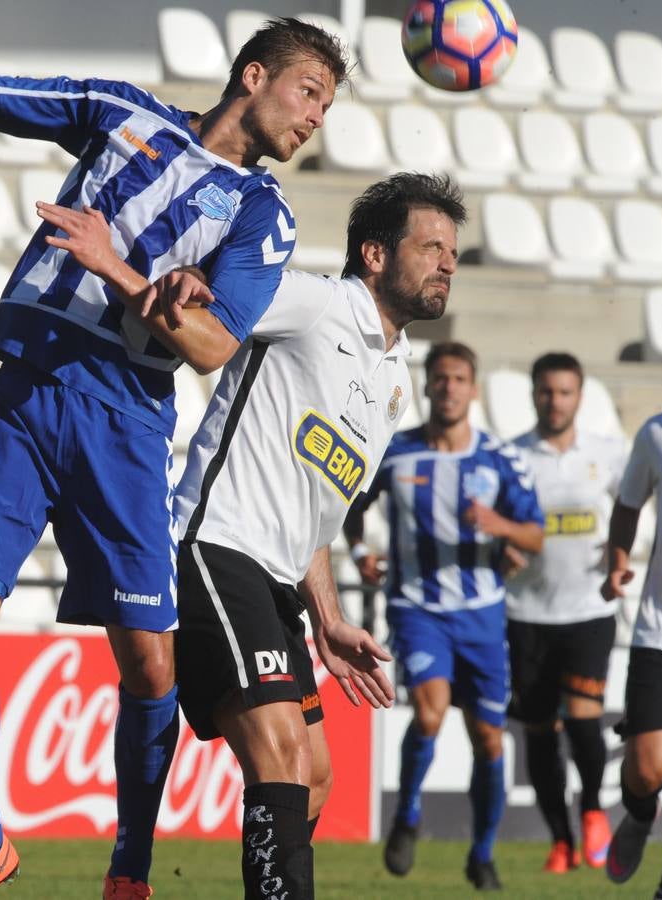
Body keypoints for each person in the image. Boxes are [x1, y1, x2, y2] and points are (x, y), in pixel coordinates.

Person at [0, 18, 348, 900]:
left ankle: (129, 871)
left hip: (124, 425)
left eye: (327, 104)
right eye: (308, 93)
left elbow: (213, 347)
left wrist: (119, 269)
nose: (316, 118)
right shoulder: (125, 115)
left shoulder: (263, 213)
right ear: (254, 76)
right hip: (23, 396)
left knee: (149, 666)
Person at [46, 171, 466, 898]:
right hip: (216, 548)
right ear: (373, 254)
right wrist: (133, 267)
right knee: (278, 757)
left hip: (279, 583)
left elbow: (315, 513)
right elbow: (209, 291)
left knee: (315, 779)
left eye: (452, 252)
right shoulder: (315, 303)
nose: (447, 264)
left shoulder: (397, 377)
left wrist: (329, 619)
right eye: (430, 246)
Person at [344, 341, 546, 892]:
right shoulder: (395, 452)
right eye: (441, 378)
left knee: (489, 739)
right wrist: (361, 554)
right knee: (430, 714)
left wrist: (500, 527)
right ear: (428, 386)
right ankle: (407, 814)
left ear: (473, 389)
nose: (450, 388)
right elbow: (347, 506)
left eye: (460, 378)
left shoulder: (501, 460)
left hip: (481, 614)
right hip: (417, 608)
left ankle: (482, 854)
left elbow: (536, 534)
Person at [504, 352, 627, 873]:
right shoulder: (511, 456)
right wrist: (501, 549)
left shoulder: (609, 454)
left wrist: (619, 556)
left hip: (587, 612)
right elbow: (493, 526)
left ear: (580, 396)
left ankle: (595, 810)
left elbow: (633, 505)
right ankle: (560, 839)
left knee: (583, 722)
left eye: (565, 392)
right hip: (525, 613)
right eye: (546, 391)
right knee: (538, 734)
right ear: (533, 395)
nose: (555, 401)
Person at [602, 403, 662, 900]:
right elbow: (628, 503)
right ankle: (639, 812)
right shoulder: (660, 434)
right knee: (647, 769)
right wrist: (617, 560)